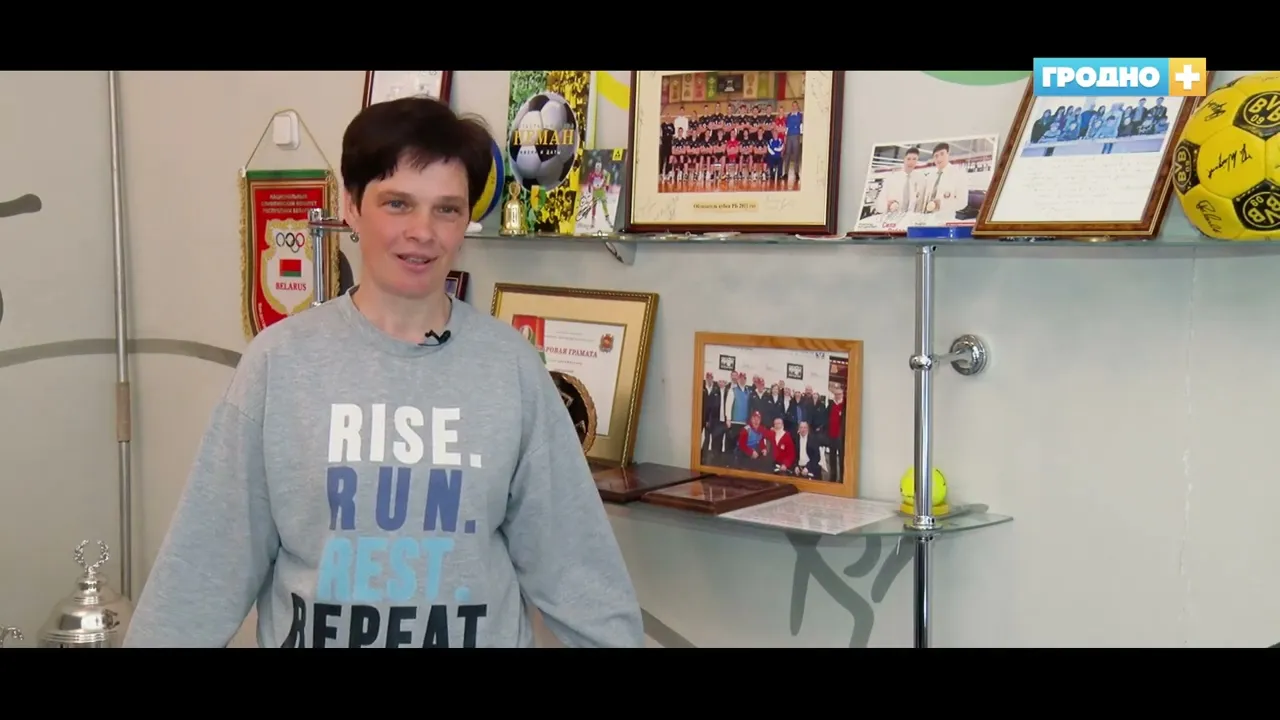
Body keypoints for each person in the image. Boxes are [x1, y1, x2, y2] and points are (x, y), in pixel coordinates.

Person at [125, 97, 644, 649]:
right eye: (398, 204)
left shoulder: (510, 368)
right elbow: (201, 573)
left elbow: (580, 575)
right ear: (351, 207)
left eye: (447, 209)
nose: (423, 231)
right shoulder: (279, 364)